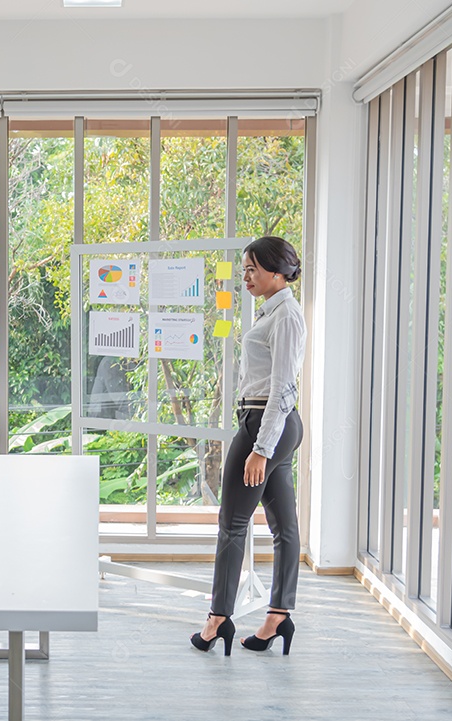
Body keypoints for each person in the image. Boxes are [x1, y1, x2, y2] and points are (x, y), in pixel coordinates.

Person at [191, 236, 306, 657]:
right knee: (283, 526)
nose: (245, 278)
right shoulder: (274, 311)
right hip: (269, 423)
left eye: (252, 269)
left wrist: (260, 448)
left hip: (265, 422)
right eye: (243, 270)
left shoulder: (286, 316)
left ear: (277, 271)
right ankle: (278, 616)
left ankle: (217, 619)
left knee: (232, 522)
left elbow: (283, 389)